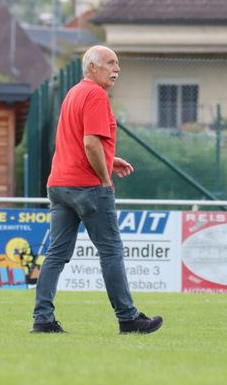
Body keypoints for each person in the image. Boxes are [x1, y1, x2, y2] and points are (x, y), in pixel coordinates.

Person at [31, 45, 163, 334]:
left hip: (59, 184)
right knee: (111, 250)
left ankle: (42, 319)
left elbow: (75, 141)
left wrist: (109, 159)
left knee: (56, 253)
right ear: (92, 66)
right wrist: (104, 178)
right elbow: (90, 142)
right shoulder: (96, 95)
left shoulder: (74, 93)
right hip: (88, 186)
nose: (117, 69)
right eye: (110, 63)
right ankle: (128, 318)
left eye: (117, 63)